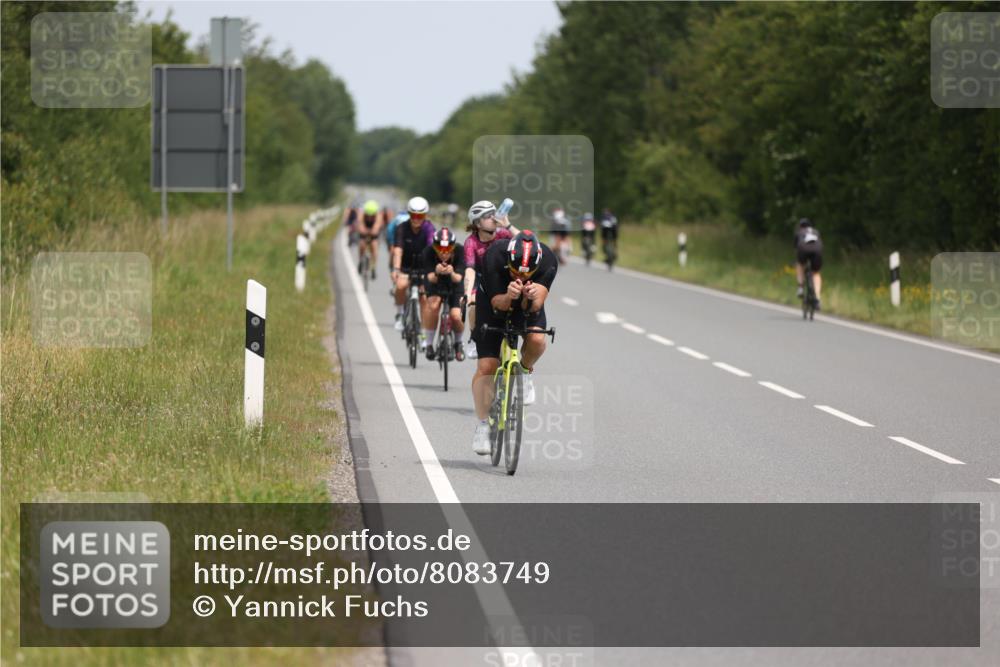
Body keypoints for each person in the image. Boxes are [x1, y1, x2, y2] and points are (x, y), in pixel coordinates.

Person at [469, 231, 557, 455]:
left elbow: (536, 306)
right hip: (493, 302)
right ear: (509, 259)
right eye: (515, 270)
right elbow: (498, 305)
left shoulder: (548, 260)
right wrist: (509, 296)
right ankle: (482, 425)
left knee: (537, 339)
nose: (520, 275)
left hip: (526, 304)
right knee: (487, 367)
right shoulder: (494, 256)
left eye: (527, 273)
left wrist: (531, 296)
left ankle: (525, 373)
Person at [462, 200, 520, 360]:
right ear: (477, 223)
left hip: (504, 279)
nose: (493, 218)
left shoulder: (503, 233)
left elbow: (527, 241)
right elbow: (469, 270)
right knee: (473, 302)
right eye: (488, 216)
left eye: (494, 214)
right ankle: (474, 340)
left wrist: (508, 225)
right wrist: (467, 294)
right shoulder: (471, 242)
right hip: (482, 281)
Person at [421, 228, 466, 361]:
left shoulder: (460, 251)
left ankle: (458, 342)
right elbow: (430, 278)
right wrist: (436, 272)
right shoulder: (427, 252)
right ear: (434, 247)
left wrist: (451, 272)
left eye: (447, 249)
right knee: (433, 306)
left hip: (455, 283)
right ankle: (429, 344)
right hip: (435, 283)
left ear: (453, 247)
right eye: (440, 249)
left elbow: (458, 278)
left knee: (456, 316)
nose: (444, 253)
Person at [391, 196, 435, 333]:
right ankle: (400, 314)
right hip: (405, 265)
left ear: (425, 215)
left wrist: (430, 272)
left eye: (420, 215)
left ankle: (422, 327)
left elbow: (431, 249)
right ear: (409, 215)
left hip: (423, 265)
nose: (416, 218)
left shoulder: (429, 228)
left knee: (423, 296)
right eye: (413, 215)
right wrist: (396, 269)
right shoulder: (401, 228)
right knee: (400, 286)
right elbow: (398, 250)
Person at [794, 217, 823, 309]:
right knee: (816, 273)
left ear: (800, 226)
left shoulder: (799, 232)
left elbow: (796, 247)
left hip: (803, 249)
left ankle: (801, 287)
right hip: (817, 250)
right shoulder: (816, 231)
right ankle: (817, 298)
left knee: (800, 265)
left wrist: (800, 260)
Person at [357, 199, 383, 280]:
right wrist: (362, 230)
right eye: (368, 215)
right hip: (365, 229)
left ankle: (373, 267)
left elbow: (377, 225)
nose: (369, 217)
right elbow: (360, 224)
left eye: (372, 215)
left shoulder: (378, 215)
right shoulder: (361, 213)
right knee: (362, 244)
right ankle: (361, 260)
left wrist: (374, 230)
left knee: (374, 246)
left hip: (373, 231)